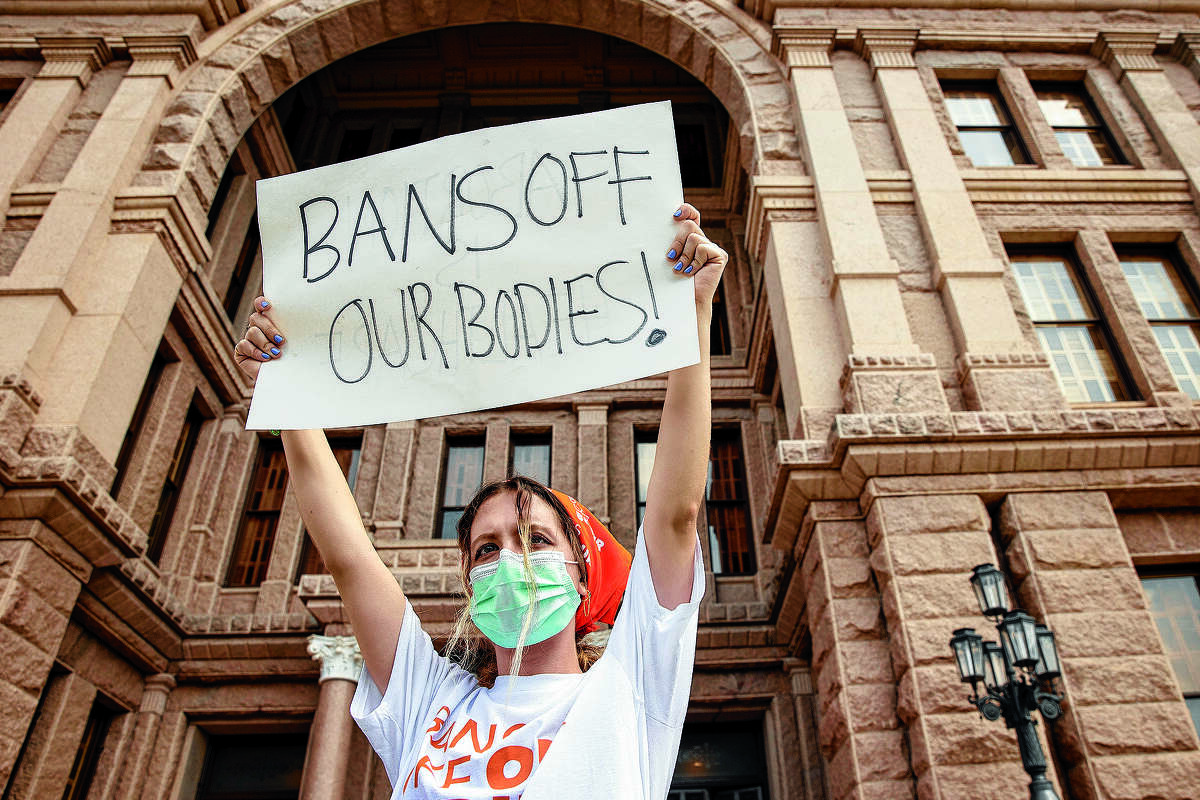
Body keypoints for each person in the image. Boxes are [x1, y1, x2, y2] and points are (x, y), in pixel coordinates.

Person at [234, 203, 727, 800]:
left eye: (536, 539)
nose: (510, 560)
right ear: (470, 582)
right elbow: (350, 558)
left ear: (581, 572)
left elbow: (674, 515)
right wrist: (287, 393)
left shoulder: (632, 686)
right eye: (487, 548)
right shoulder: (429, 698)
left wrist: (694, 310)